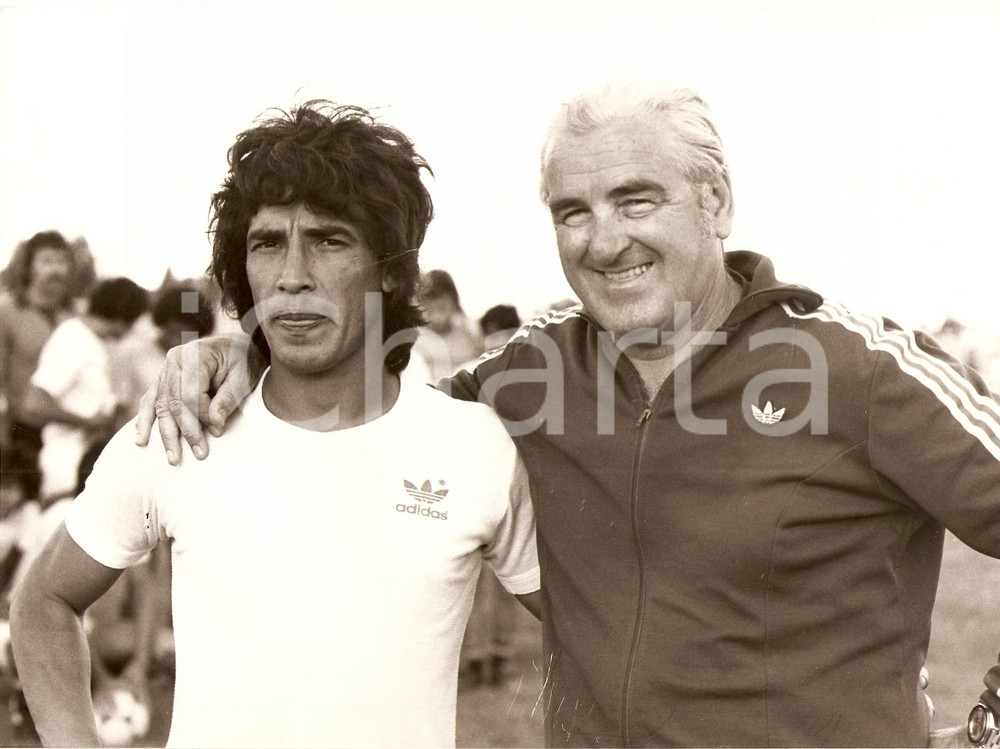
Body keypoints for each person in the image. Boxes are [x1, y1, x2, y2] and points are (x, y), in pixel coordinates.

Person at [135, 82, 1000, 747]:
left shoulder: (855, 367)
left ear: (717, 201)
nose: (602, 240)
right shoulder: (528, 371)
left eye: (636, 199)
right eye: (571, 212)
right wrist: (245, 350)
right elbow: (377, 419)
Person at [10, 100, 540, 749]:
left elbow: (601, 632)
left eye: (329, 240)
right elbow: (42, 601)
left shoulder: (475, 447)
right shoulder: (179, 428)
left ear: (392, 269)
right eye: (267, 243)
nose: (292, 277)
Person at [22, 276, 148, 503]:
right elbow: (34, 403)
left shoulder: (98, 342)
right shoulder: (72, 338)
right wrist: (89, 422)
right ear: (122, 316)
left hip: (88, 462)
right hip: (65, 462)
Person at [0, 230, 79, 501]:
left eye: (61, 261)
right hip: (20, 430)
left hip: (67, 431)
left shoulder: (74, 315)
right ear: (29, 267)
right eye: (46, 261)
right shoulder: (7, 311)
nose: (55, 269)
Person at [407, 268, 483, 386]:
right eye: (430, 309)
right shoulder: (414, 337)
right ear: (421, 306)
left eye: (442, 308)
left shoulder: (471, 331)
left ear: (454, 303)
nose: (437, 317)